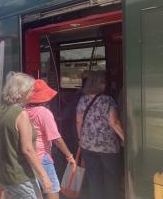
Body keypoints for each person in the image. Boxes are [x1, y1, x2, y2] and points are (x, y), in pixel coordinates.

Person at [0, 72, 52, 199]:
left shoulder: (1, 109)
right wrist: (44, 175)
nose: (33, 93)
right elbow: (27, 149)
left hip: (4, 173)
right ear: (21, 92)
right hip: (19, 174)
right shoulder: (21, 114)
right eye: (31, 90)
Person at [76, 71, 124, 199]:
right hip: (107, 147)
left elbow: (78, 121)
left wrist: (81, 139)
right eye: (104, 82)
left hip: (87, 146)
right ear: (100, 84)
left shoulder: (82, 99)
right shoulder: (108, 100)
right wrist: (126, 139)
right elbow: (114, 122)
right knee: (111, 179)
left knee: (94, 178)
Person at [26, 79, 76, 199]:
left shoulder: (24, 110)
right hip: (42, 157)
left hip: (29, 157)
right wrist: (69, 156)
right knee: (52, 190)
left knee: (36, 192)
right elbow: (56, 138)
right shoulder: (44, 112)